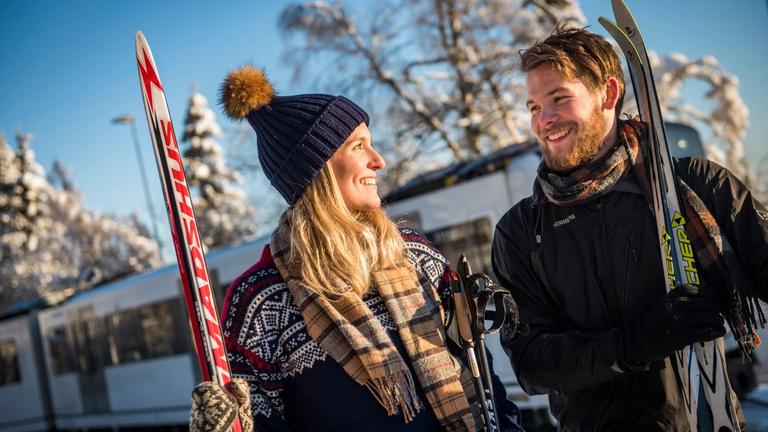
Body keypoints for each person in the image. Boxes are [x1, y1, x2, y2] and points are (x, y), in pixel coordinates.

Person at [189, 65, 523, 432]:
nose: (378, 160)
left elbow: (484, 380)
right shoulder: (262, 302)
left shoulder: (414, 254)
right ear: (318, 170)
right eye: (358, 146)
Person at [491, 26, 768, 431]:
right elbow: (533, 365)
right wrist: (635, 343)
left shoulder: (695, 186)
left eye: (558, 99)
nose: (543, 120)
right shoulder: (520, 231)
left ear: (608, 94)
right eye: (533, 106)